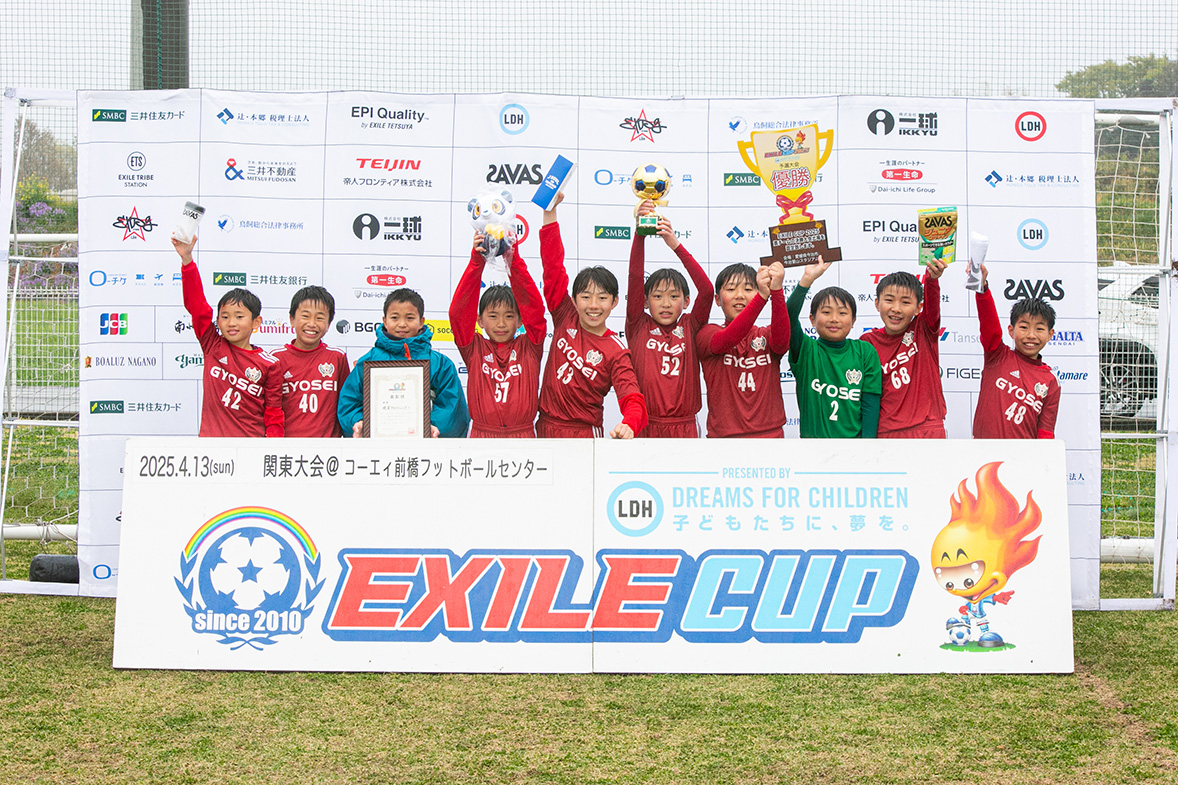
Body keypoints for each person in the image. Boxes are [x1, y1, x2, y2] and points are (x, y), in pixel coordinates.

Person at [536, 193, 647, 438]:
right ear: (574, 300)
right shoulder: (565, 315)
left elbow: (632, 397)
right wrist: (549, 212)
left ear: (615, 301)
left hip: (585, 435)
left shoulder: (616, 349)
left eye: (602, 298)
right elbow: (552, 266)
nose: (593, 305)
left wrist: (630, 423)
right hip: (544, 428)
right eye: (586, 297)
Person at [172, 234, 282, 437]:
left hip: (251, 445)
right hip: (212, 445)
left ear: (256, 322)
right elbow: (197, 306)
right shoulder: (212, 345)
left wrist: (273, 447)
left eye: (239, 316)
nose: (231, 322)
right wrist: (187, 260)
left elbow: (273, 413)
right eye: (225, 317)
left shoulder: (270, 364)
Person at [626, 202, 713, 438]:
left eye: (674, 297)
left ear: (686, 302)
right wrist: (640, 233)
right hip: (645, 424)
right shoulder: (638, 325)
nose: (665, 303)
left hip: (684, 425)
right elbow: (635, 276)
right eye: (657, 297)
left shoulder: (691, 326)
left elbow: (707, 291)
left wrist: (674, 244)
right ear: (645, 302)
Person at [337, 288, 470, 438]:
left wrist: (432, 426)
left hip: (425, 447)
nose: (402, 324)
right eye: (395, 318)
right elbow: (349, 403)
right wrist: (360, 422)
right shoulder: (368, 362)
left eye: (410, 318)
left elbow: (451, 405)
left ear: (421, 322)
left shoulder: (440, 364)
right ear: (384, 321)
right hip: (378, 445)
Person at [449, 232, 546, 437]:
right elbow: (458, 313)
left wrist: (512, 259)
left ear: (520, 321)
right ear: (479, 320)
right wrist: (477, 262)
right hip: (483, 436)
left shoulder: (530, 346)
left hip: (523, 436)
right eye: (493, 316)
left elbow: (534, 309)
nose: (501, 324)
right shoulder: (474, 348)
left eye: (509, 316)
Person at [787, 258, 882, 438]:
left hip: (855, 449)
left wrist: (867, 447)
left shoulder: (865, 352)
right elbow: (787, 317)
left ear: (853, 321)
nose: (834, 319)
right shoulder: (806, 350)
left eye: (842, 313)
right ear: (812, 319)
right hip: (813, 447)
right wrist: (807, 280)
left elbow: (870, 404)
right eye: (826, 312)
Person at [696, 261, 789, 438]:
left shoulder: (766, 334)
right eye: (731, 289)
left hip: (771, 438)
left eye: (748, 289)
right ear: (717, 299)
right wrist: (761, 297)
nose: (739, 296)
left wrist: (776, 291)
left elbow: (781, 344)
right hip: (724, 440)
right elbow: (727, 339)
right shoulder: (706, 333)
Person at [972, 264, 1060, 438]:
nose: (1031, 335)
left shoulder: (1050, 381)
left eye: (1039, 329)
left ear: (1050, 334)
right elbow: (989, 323)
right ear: (1011, 331)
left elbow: (1045, 432)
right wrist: (982, 289)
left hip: (1023, 454)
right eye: (1024, 327)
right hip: (982, 450)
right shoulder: (997, 355)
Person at [861, 262, 948, 438]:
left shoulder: (924, 328)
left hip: (927, 430)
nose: (896, 309)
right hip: (885, 433)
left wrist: (931, 279)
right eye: (889, 300)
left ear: (918, 308)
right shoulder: (867, 342)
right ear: (877, 304)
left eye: (905, 302)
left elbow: (932, 305)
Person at [270, 286, 350, 437]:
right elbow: (269, 406)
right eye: (305, 316)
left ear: (329, 324)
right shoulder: (276, 358)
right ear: (292, 320)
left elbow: (346, 403)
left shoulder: (337, 357)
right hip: (286, 445)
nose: (312, 324)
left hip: (327, 446)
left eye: (319, 318)